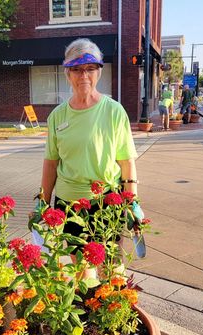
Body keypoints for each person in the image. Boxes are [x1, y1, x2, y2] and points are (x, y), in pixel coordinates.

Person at [41, 38, 138, 276]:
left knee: (111, 268)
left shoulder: (114, 111)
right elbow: (51, 162)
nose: (83, 75)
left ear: (99, 71)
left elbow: (126, 162)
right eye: (76, 69)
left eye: (90, 68)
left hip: (107, 202)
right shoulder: (57, 116)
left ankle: (113, 309)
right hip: (69, 204)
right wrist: (42, 202)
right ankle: (86, 309)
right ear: (67, 73)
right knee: (81, 270)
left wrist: (133, 203)